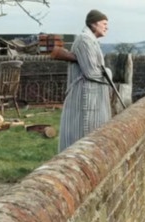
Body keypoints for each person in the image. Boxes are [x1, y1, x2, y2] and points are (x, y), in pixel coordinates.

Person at [58, 9, 113, 152]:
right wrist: (108, 72)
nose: (107, 27)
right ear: (93, 24)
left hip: (92, 96)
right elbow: (92, 72)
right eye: (104, 23)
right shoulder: (84, 40)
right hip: (85, 96)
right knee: (82, 137)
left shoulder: (91, 40)